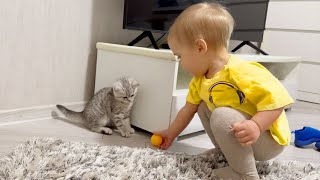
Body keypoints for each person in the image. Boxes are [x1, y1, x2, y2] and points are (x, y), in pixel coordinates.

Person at [154, 2, 293, 180]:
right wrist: (171, 133)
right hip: (242, 136)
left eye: (180, 56)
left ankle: (245, 174)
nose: (180, 62)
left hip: (266, 139)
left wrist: (256, 125)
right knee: (203, 106)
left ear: (199, 48)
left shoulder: (242, 71)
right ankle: (225, 153)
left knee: (221, 115)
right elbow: (187, 109)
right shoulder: (200, 81)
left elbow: (279, 101)